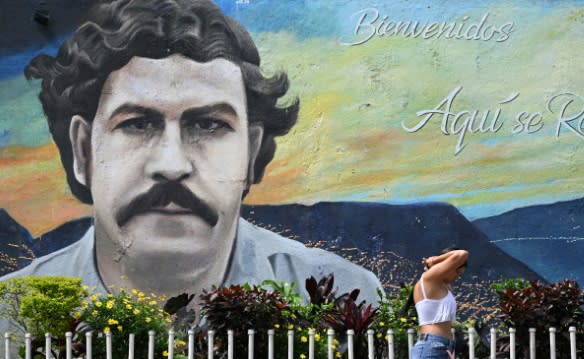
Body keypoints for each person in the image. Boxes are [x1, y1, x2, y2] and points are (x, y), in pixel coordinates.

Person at [1, 0, 382, 305]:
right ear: (82, 151)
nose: (172, 165)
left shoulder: (344, 297)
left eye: (209, 124)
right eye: (136, 123)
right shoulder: (10, 314)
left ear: (250, 154)